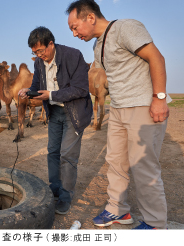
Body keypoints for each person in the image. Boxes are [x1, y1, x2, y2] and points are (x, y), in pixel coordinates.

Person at [67, 0, 170, 229]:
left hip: (142, 107)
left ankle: (155, 223)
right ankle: (118, 210)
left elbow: (156, 58)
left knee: (143, 165)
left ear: (90, 17)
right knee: (115, 162)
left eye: (75, 27)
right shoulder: (97, 46)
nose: (74, 33)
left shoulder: (126, 27)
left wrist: (159, 99)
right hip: (118, 109)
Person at [18, 26, 93, 215]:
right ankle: (55, 188)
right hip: (54, 112)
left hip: (73, 112)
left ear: (51, 44)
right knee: (52, 152)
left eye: (40, 51)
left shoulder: (73, 56)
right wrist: (28, 91)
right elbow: (37, 85)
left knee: (67, 155)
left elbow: (81, 89)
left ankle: (66, 196)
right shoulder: (38, 63)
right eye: (34, 52)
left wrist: (51, 94)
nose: (38, 55)